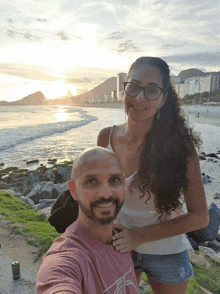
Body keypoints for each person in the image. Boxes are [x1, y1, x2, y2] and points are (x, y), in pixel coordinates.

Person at [97, 57, 209, 294]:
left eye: (151, 90)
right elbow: (96, 194)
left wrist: (139, 236)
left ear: (163, 98)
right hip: (119, 244)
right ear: (124, 88)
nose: (139, 98)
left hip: (166, 250)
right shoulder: (105, 138)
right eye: (134, 87)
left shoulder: (180, 147)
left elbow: (200, 217)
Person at [36, 147, 139, 294]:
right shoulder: (67, 257)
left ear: (123, 183)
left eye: (114, 180)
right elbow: (58, 280)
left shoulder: (121, 239)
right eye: (92, 181)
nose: (106, 194)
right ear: (73, 190)